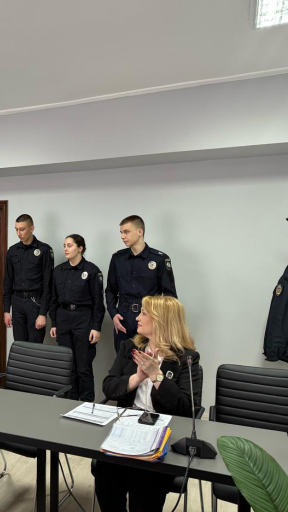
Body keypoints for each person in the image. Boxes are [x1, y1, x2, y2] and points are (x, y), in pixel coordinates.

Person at [92, 295, 199, 512]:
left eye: (143, 313)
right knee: (105, 471)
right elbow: (109, 387)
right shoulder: (129, 347)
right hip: (125, 431)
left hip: (162, 435)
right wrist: (138, 377)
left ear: (161, 320)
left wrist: (156, 376)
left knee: (145, 483)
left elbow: (187, 408)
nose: (137, 318)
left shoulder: (187, 358)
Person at [105, 215, 177, 354]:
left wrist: (160, 321)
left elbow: (170, 296)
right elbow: (110, 290)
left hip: (149, 318)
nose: (122, 236)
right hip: (124, 318)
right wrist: (113, 314)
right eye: (121, 232)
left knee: (148, 359)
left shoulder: (159, 259)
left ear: (140, 231)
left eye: (126, 232)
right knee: (123, 360)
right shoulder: (118, 258)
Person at [49, 234, 104, 402]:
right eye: (64, 245)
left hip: (84, 319)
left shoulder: (92, 271)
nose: (65, 249)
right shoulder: (58, 271)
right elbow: (53, 299)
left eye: (70, 245)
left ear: (80, 248)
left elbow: (98, 302)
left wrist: (96, 327)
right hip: (63, 318)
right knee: (68, 366)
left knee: (83, 366)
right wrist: (54, 323)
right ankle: (70, 403)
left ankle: (87, 405)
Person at [2, 214, 54, 343]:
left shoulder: (44, 250)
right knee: (20, 345)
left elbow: (48, 284)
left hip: (35, 302)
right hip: (17, 302)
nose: (18, 233)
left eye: (22, 229)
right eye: (16, 229)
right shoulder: (12, 251)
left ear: (32, 228)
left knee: (35, 345)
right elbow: (7, 282)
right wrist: (6, 310)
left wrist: (42, 313)